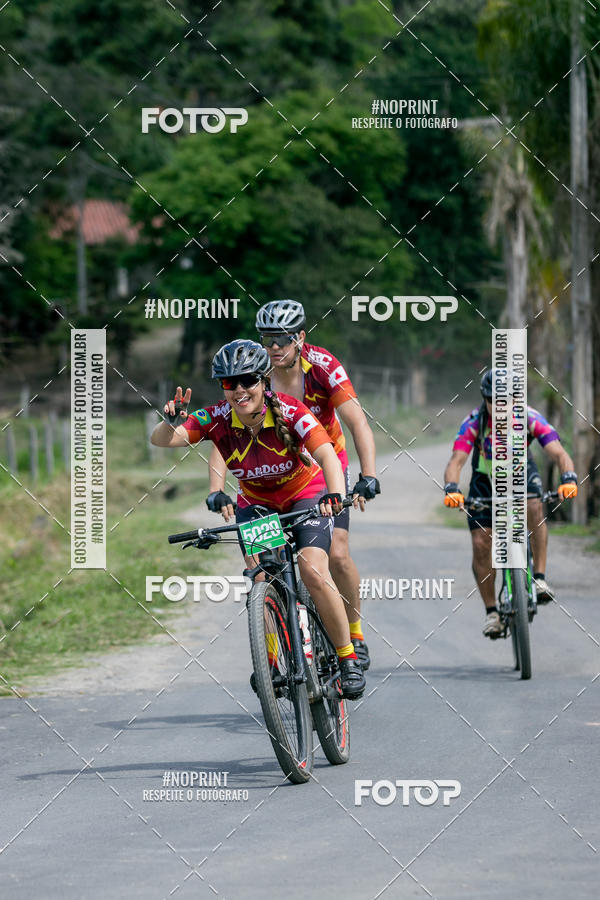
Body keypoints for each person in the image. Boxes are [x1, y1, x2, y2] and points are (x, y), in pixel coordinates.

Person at [151, 338, 366, 699]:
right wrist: (168, 420)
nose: (238, 390)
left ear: (264, 379)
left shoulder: (291, 410)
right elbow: (164, 441)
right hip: (258, 504)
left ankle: (347, 659)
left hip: (305, 495)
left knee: (313, 569)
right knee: (262, 578)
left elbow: (328, 455)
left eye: (247, 380)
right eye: (228, 383)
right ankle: (270, 664)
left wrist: (333, 493)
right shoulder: (216, 418)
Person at [206, 300, 379, 671]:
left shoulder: (323, 367)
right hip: (271, 473)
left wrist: (368, 473)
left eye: (282, 339)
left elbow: (357, 421)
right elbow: (228, 433)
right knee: (267, 566)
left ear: (300, 337)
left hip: (325, 461)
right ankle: (277, 646)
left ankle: (354, 633)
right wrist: (217, 485)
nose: (274, 347)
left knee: (337, 553)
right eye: (267, 339)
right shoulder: (254, 373)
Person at [442, 369, 578, 637]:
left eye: (506, 400)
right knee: (481, 543)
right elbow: (456, 462)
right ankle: (492, 612)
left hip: (521, 474)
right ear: (485, 399)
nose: (501, 407)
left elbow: (559, 453)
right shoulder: (474, 422)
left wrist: (569, 478)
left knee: (534, 507)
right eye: (494, 401)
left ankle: (538, 579)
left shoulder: (529, 417)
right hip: (485, 480)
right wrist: (452, 489)